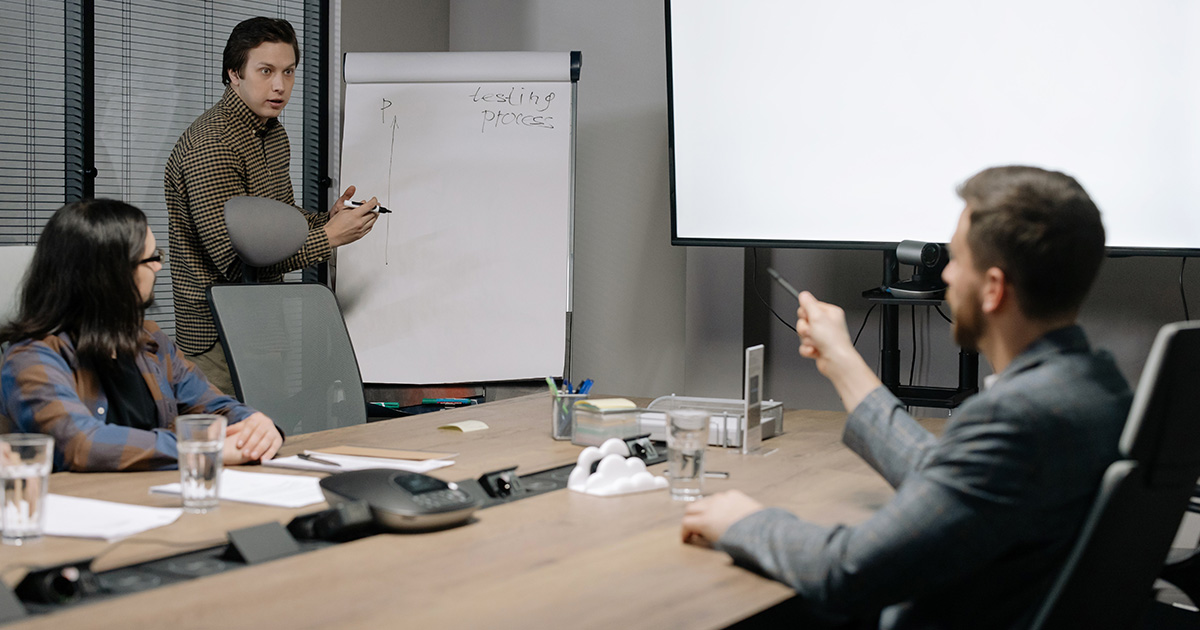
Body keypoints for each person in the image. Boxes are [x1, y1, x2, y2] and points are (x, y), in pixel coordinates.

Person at [680, 166, 1133, 629]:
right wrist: (843, 362)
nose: (948, 275)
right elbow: (957, 484)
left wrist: (743, 521)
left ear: (994, 289)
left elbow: (845, 570)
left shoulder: (1017, 417)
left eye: (956, 259)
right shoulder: (1096, 386)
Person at [165, 16, 379, 394]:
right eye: (265, 71)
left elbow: (276, 221)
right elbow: (235, 259)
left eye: (288, 72)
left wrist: (323, 219)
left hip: (263, 327)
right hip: (217, 334)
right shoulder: (212, 144)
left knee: (274, 443)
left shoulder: (272, 133)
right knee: (231, 447)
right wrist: (327, 237)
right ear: (234, 74)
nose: (280, 85)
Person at [0, 199, 283, 472]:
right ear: (111, 276)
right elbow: (81, 443)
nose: (159, 267)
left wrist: (255, 425)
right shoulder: (31, 358)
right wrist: (202, 449)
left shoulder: (150, 340)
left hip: (155, 502)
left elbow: (214, 406)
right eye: (152, 258)